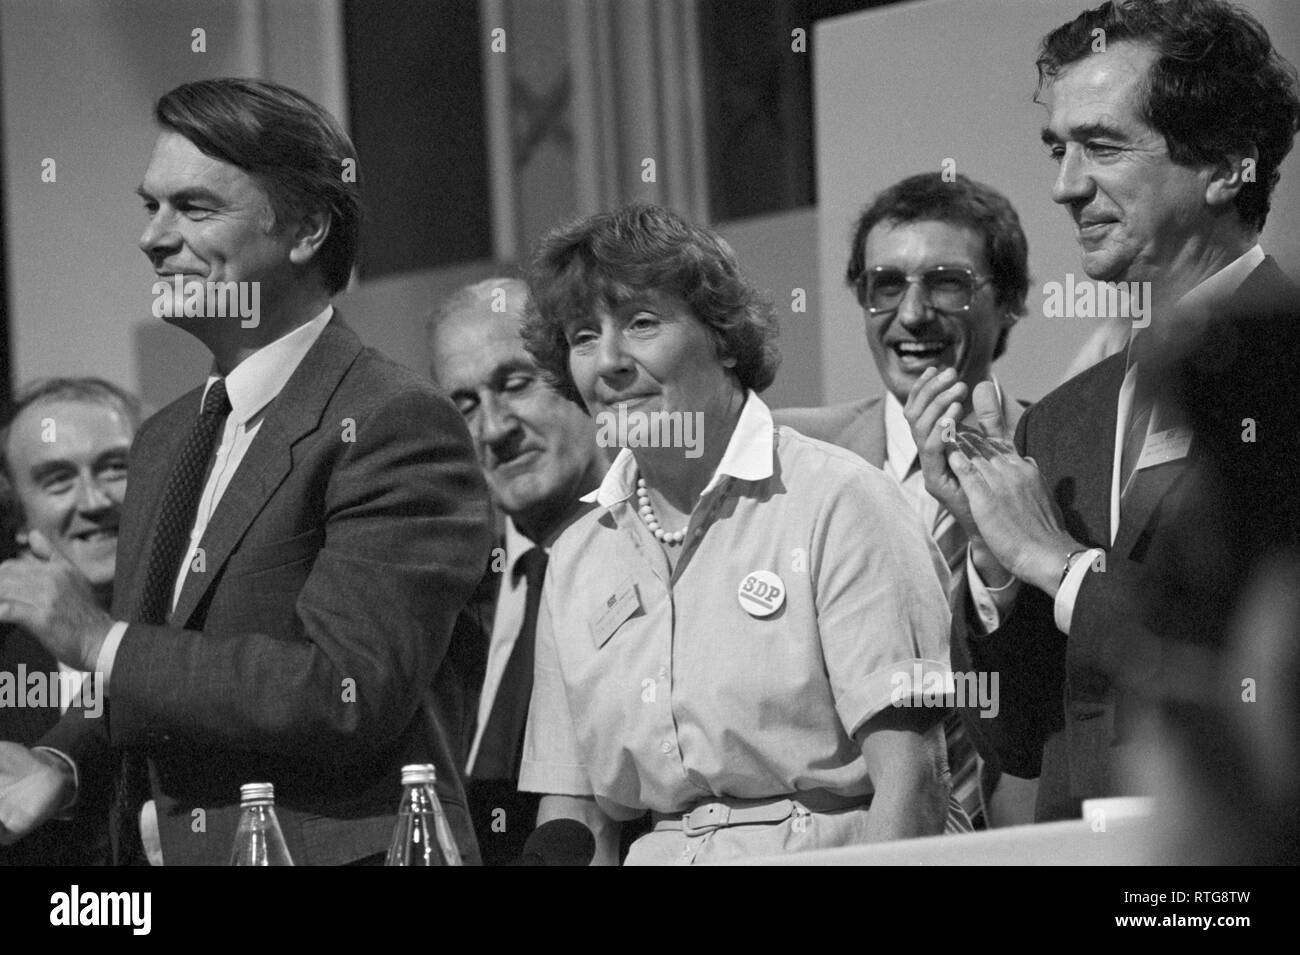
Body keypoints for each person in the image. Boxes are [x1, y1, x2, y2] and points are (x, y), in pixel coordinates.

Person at [0, 78, 492, 865]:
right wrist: (58, 761)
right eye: (149, 207)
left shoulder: (395, 421)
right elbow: (159, 671)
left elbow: (346, 689)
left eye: (193, 208)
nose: (153, 239)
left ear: (305, 228)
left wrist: (95, 637)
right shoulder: (167, 439)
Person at [906, 0, 1300, 822]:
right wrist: (996, 564)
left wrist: (1058, 563)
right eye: (1059, 147)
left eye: (1103, 145)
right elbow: (1013, 740)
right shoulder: (1054, 421)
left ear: (1228, 164)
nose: (1064, 185)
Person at [516, 203, 960, 865]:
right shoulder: (578, 555)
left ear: (725, 338)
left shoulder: (840, 500)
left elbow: (913, 784)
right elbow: (576, 820)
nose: (607, 361)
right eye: (583, 335)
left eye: (641, 323)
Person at [776, 172, 1037, 827]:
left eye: (946, 282)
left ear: (1006, 301)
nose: (913, 313)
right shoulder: (792, 459)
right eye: (885, 285)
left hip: (1022, 829)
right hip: (852, 832)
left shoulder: (1058, 448)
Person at [428, 276, 609, 865]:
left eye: (516, 383)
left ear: (581, 378)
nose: (495, 428)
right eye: (466, 405)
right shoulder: (446, 605)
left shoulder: (666, 561)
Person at [0, 378, 139, 865]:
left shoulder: (216, 638)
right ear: (22, 520)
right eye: (58, 479)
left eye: (116, 468)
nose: (95, 501)